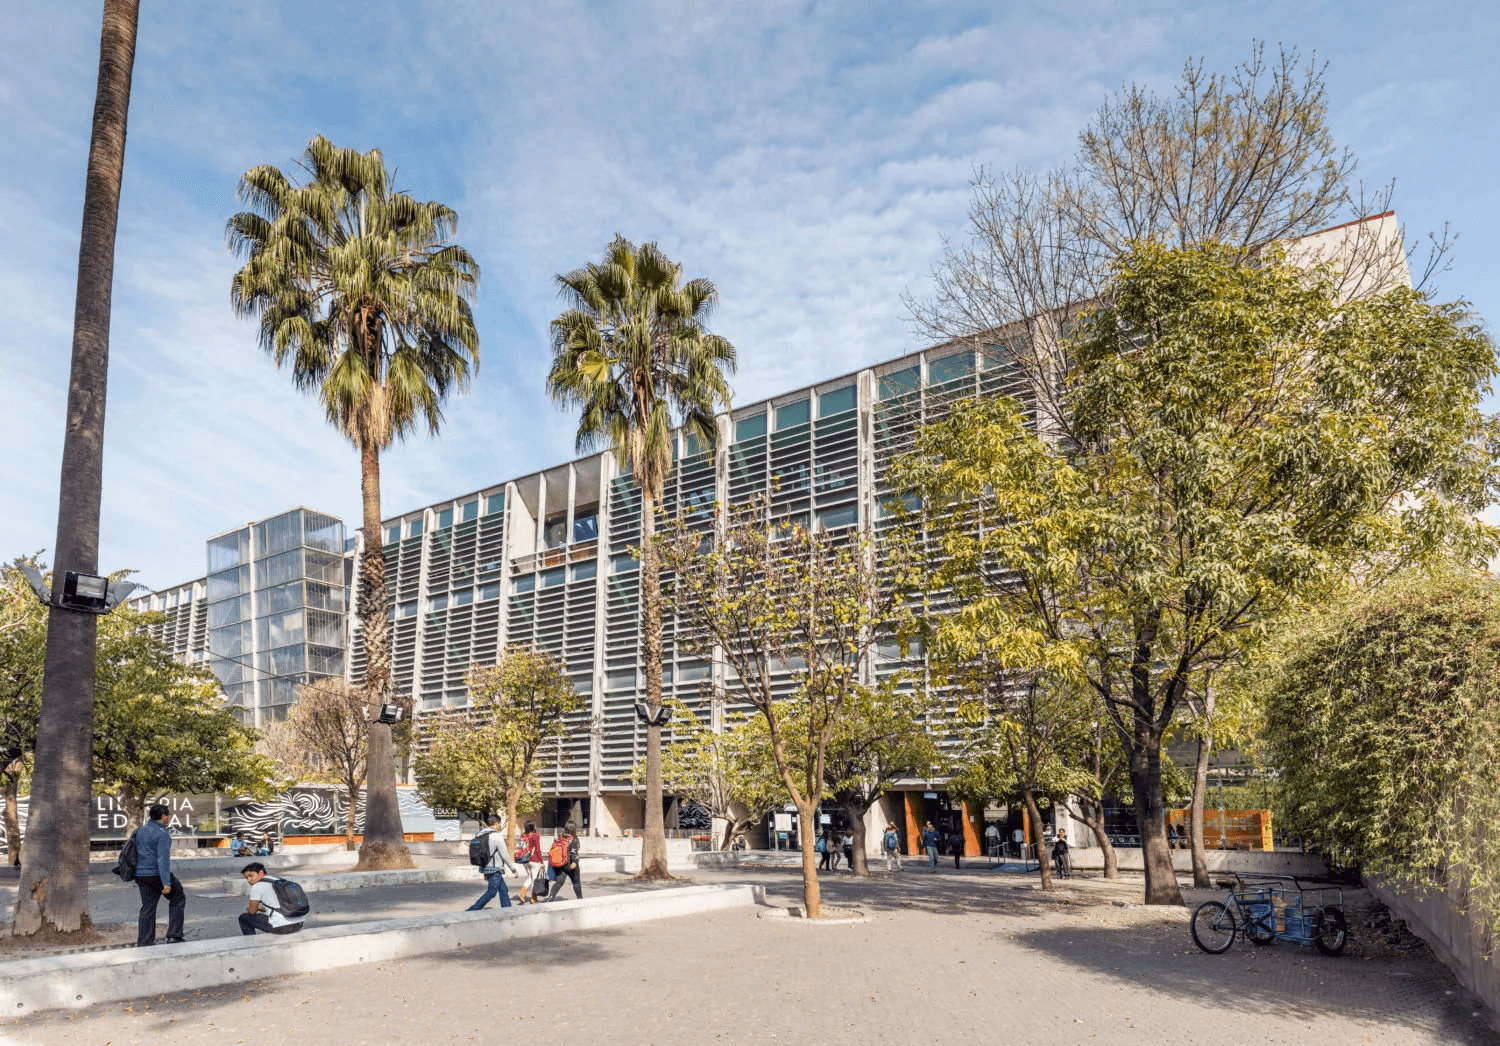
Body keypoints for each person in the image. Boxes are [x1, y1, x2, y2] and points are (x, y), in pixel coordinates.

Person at [134, 803, 186, 947]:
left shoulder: (140, 831)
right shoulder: (162, 834)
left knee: (148, 906)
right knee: (178, 896)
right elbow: (162, 859)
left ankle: (145, 941)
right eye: (168, 815)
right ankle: (174, 935)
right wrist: (166, 881)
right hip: (155, 874)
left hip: (140, 874)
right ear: (163, 817)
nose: (169, 817)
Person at [466, 814, 519, 911]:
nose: (500, 826)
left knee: (503, 889)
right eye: (500, 823)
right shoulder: (496, 836)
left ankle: (507, 910)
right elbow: (504, 855)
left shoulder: (480, 834)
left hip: (485, 866)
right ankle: (472, 909)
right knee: (491, 892)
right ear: (497, 823)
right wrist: (513, 869)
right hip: (495, 869)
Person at [239, 862, 305, 935]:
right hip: (299, 924)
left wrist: (250, 908)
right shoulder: (279, 881)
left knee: (243, 918)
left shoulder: (257, 886)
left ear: (260, 873)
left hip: (282, 927)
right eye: (246, 878)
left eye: (251, 876)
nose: (249, 880)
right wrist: (260, 908)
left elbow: (252, 911)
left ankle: (250, 943)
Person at [545, 821, 582, 903]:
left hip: (559, 863)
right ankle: (580, 899)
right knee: (576, 882)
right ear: (574, 828)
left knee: (559, 881)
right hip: (570, 864)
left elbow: (552, 848)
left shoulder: (558, 836)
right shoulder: (573, 838)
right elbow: (574, 852)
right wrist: (575, 862)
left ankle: (551, 897)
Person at [514, 820, 544, 903]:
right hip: (534, 860)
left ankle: (522, 892)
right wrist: (541, 862)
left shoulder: (522, 835)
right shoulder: (535, 835)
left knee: (530, 877)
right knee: (534, 879)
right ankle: (534, 898)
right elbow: (538, 850)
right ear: (533, 827)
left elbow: (521, 846)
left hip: (525, 860)